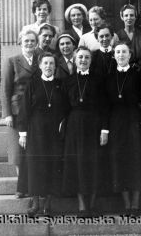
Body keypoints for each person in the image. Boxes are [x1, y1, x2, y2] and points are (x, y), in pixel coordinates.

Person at [17, 52, 68, 216]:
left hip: (55, 132)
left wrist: (63, 125)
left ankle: (48, 203)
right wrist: (23, 133)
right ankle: (35, 202)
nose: (48, 66)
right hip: (36, 131)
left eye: (51, 64)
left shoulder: (61, 84)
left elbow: (67, 108)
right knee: (35, 165)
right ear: (40, 66)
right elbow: (24, 109)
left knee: (52, 165)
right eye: (45, 63)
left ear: (55, 66)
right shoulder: (33, 84)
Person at [61, 47, 107, 214]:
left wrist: (104, 130)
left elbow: (104, 107)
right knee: (78, 164)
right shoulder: (68, 81)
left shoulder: (99, 80)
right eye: (80, 57)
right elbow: (64, 108)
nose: (83, 60)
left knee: (93, 163)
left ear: (91, 60)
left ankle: (93, 203)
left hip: (94, 124)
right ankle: (81, 204)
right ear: (74, 59)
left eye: (87, 57)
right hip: (75, 125)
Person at [102, 42, 141, 213]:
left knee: (136, 160)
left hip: (134, 120)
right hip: (116, 122)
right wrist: (105, 129)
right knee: (119, 160)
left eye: (124, 52)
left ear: (130, 55)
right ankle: (126, 203)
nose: (121, 55)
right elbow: (105, 105)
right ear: (114, 56)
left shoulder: (137, 75)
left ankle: (135, 203)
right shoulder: (109, 77)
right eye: (118, 52)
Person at [0, 29, 39, 199]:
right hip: (17, 110)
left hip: (37, 108)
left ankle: (33, 185)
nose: (29, 44)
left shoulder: (41, 60)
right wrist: (7, 113)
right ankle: (21, 186)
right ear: (20, 43)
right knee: (18, 149)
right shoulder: (12, 61)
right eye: (26, 41)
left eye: (32, 41)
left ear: (36, 43)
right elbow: (5, 89)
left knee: (33, 148)